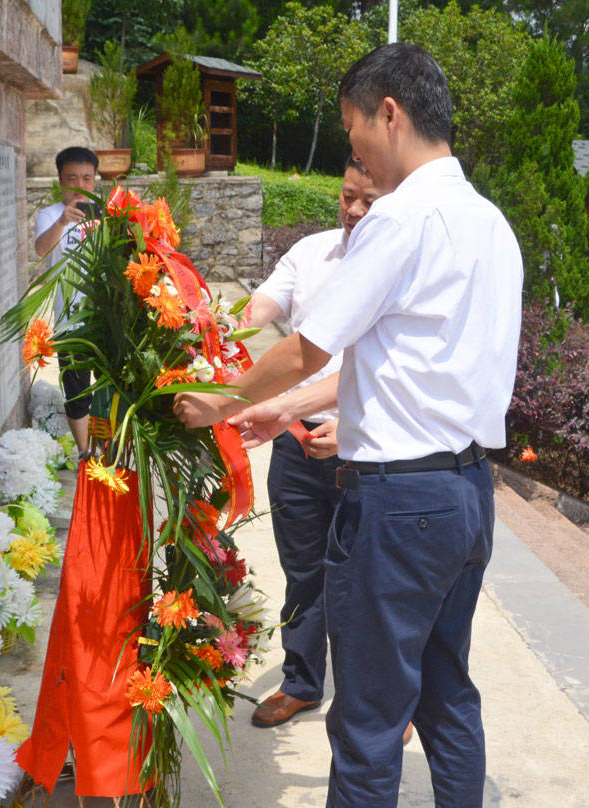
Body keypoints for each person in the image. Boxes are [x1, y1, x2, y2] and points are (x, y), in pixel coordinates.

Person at [175, 43, 522, 808]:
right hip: (466, 493)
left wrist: (224, 400)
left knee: (366, 722)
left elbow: (306, 347)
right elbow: (404, 368)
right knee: (446, 694)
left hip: (399, 508)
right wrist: (276, 411)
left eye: (353, 130)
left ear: (388, 113)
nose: (354, 151)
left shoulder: (402, 219)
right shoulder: (490, 222)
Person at [245, 156, 380, 729]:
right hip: (296, 442)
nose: (352, 210)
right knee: (304, 570)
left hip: (369, 450)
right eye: (346, 196)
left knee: (371, 579)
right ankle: (302, 680)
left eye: (366, 202)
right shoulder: (310, 253)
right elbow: (256, 312)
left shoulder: (396, 265)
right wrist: (209, 330)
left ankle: (379, 699)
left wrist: (348, 424)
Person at [34, 146, 99, 456]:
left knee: (110, 386)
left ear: (95, 180)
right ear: (60, 180)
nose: (80, 185)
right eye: (72, 178)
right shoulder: (48, 215)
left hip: (104, 315)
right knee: (77, 389)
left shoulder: (106, 213)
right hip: (69, 319)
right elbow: (41, 251)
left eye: (87, 178)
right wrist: (62, 222)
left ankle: (111, 447)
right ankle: (86, 452)